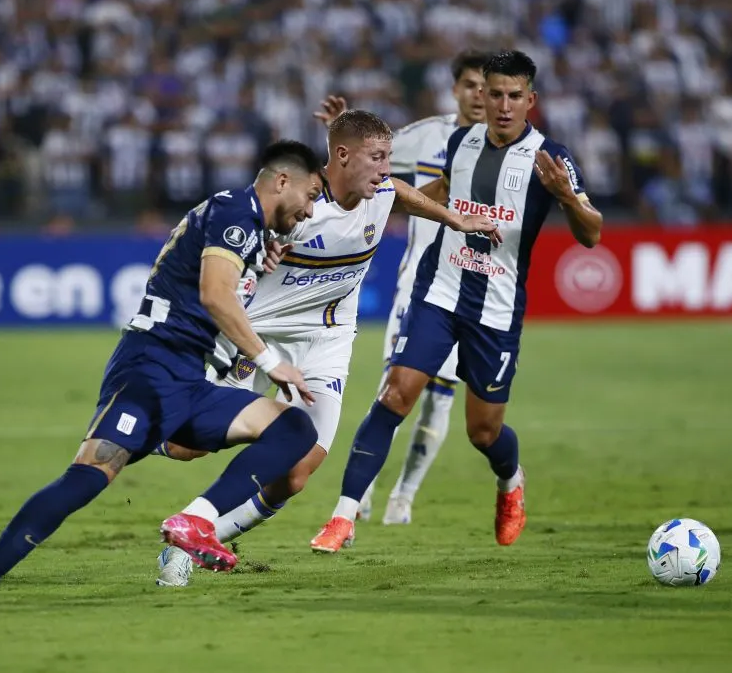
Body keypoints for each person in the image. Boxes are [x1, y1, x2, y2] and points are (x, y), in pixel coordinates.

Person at [0, 140, 325, 605]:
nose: (310, 210)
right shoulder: (235, 213)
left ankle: (196, 520)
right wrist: (270, 362)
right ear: (282, 181)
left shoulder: (244, 227)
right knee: (87, 477)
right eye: (311, 195)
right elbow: (214, 294)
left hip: (189, 378)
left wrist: (254, 269)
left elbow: (215, 287)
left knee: (293, 428)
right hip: (151, 368)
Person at [154, 110, 500, 587]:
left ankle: (190, 542)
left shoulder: (380, 193)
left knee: (296, 474)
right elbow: (244, 243)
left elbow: (400, 193)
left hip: (326, 342)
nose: (385, 170)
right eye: (377, 158)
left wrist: (453, 218)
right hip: (260, 337)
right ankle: (146, 429)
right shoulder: (300, 204)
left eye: (389, 158)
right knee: (187, 446)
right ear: (342, 155)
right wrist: (263, 251)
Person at [310, 50, 603, 553]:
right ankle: (343, 516)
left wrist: (569, 198)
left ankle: (510, 481)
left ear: (530, 100)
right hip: (439, 290)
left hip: (496, 308)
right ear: (481, 96)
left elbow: (592, 234)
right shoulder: (460, 141)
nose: (504, 106)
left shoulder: (550, 158)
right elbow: (443, 190)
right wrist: (377, 205)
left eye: (515, 96)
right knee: (394, 395)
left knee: (483, 432)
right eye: (496, 94)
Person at [360, 48, 490, 526]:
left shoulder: (510, 149)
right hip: (418, 281)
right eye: (471, 85)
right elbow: (368, 171)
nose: (479, 95)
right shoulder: (423, 137)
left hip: (469, 286)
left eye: (488, 87)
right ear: (455, 89)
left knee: (439, 397)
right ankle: (362, 489)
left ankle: (404, 496)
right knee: (393, 387)